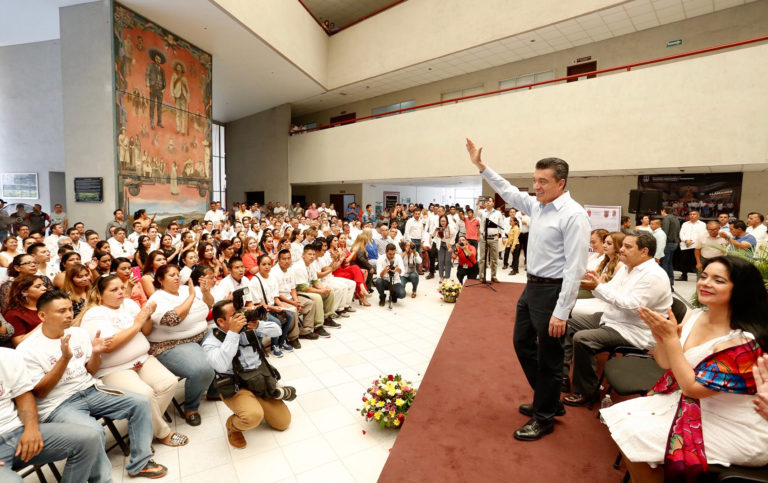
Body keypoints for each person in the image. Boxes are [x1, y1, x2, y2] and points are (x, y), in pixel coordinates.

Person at [601, 256, 768, 482]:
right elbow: (665, 363)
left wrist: (671, 341)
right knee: (623, 424)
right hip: (699, 406)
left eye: (718, 280)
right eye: (705, 276)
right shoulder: (696, 314)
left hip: (736, 425)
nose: (705, 283)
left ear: (741, 290)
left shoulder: (742, 343)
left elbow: (691, 388)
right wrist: (661, 338)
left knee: (634, 434)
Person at [466, 138, 590, 441]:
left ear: (561, 183)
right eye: (534, 180)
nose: (536, 186)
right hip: (531, 288)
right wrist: (481, 166)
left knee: (549, 357)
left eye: (543, 181)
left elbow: (575, 269)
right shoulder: (539, 206)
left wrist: (562, 312)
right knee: (522, 343)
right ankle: (547, 399)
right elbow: (508, 190)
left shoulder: (573, 215)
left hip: (553, 293)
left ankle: (544, 416)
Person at [18, 290, 168, 479]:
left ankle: (140, 462)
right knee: (94, 431)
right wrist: (64, 359)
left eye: (70, 309)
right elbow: (40, 391)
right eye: (61, 311)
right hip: (58, 404)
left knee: (140, 402)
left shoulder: (78, 333)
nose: (68, 315)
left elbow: (91, 371)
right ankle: (102, 479)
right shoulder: (27, 349)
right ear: (42, 315)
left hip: (90, 388)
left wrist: (96, 353)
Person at [77, 275, 188, 447]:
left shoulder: (129, 304)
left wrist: (147, 316)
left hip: (142, 359)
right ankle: (163, 433)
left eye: (121, 287)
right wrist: (136, 324)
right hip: (114, 369)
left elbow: (147, 330)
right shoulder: (94, 314)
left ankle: (141, 428)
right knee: (145, 394)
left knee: (169, 383)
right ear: (99, 294)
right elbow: (109, 345)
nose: (121, 292)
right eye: (113, 290)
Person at [563, 232, 672, 407]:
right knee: (566, 325)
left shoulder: (654, 276)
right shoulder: (627, 267)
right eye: (622, 245)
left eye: (628, 247)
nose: (621, 249)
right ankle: (562, 374)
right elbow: (610, 292)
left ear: (644, 251)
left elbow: (633, 307)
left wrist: (599, 287)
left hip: (632, 330)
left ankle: (587, 392)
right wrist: (598, 284)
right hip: (613, 319)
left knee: (582, 339)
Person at [0, 347, 103, 483]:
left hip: (16, 431)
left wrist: (31, 429)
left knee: (90, 438)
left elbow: (23, 396)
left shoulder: (7, 356)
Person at [203, 300, 291, 450]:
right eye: (234, 316)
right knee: (252, 416)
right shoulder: (211, 342)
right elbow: (221, 366)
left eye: (239, 313)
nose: (241, 317)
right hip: (236, 386)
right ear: (220, 321)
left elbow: (278, 331)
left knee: (283, 423)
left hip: (259, 379)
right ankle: (233, 427)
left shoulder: (249, 328)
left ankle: (255, 401)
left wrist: (258, 325)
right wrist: (233, 334)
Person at [146, 264, 215, 426]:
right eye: (171, 275)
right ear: (160, 280)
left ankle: (213, 390)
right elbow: (172, 320)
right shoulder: (157, 298)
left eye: (178, 274)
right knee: (203, 369)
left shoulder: (186, 290)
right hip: (172, 343)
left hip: (201, 333)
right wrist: (191, 296)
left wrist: (205, 292)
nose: (176, 277)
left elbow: (210, 304)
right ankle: (191, 407)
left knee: (229, 343)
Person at [250, 255, 298, 357]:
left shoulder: (272, 278)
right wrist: (274, 308)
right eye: (264, 264)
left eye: (269, 264)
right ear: (258, 265)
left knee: (289, 316)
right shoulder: (255, 281)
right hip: (261, 310)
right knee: (276, 322)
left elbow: (276, 297)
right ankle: (274, 346)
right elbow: (257, 303)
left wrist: (282, 307)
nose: (267, 267)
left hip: (272, 306)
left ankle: (281, 342)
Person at [271, 249, 320, 341]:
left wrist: (296, 300)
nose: (287, 261)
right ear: (278, 259)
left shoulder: (290, 270)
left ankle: (306, 331)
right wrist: (293, 303)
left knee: (310, 303)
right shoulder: (274, 273)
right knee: (293, 310)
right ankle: (293, 338)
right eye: (284, 259)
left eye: (289, 258)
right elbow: (277, 295)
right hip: (280, 300)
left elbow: (293, 289)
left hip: (290, 297)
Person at [293, 245, 335, 336]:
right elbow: (303, 288)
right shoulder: (298, 267)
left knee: (329, 293)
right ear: (303, 255)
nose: (312, 256)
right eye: (309, 254)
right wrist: (320, 291)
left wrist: (323, 289)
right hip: (297, 292)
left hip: (307, 289)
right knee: (317, 297)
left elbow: (315, 281)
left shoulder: (310, 265)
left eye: (313, 254)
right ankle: (318, 326)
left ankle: (327, 318)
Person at [3, 275, 47, 346]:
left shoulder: (47, 306)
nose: (45, 288)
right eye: (38, 286)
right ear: (24, 291)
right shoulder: (13, 314)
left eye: (43, 285)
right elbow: (18, 343)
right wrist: (46, 322)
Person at [477, 197, 504, 283]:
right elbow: (474, 213)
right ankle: (481, 276)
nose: (487, 203)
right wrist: (478, 202)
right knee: (482, 258)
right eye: (486, 202)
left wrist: (502, 236)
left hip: (494, 238)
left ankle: (493, 276)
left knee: (494, 259)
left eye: (489, 201)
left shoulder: (498, 213)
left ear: (493, 203)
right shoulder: (482, 212)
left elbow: (501, 225)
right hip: (484, 238)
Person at [677, 210, 707, 281]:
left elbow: (702, 235)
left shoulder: (702, 224)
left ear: (698, 215)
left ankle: (699, 277)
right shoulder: (685, 224)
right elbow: (681, 233)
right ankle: (684, 276)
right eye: (691, 214)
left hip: (696, 246)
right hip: (685, 245)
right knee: (684, 261)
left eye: (694, 214)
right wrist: (686, 240)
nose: (692, 215)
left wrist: (692, 241)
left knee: (697, 262)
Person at [660, 205, 680, 286]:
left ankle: (664, 282)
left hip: (667, 243)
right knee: (669, 263)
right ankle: (670, 280)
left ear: (664, 211)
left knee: (664, 263)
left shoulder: (666, 219)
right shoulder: (676, 219)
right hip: (674, 243)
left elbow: (664, 233)